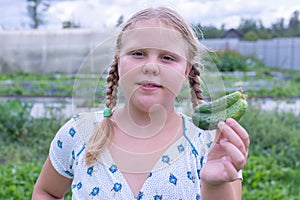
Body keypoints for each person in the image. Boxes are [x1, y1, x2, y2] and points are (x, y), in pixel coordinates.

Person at [32, 6, 249, 200]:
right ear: (118, 63)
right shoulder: (78, 133)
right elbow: (46, 192)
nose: (151, 67)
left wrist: (215, 184)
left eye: (167, 57)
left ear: (186, 70)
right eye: (138, 54)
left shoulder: (211, 145)